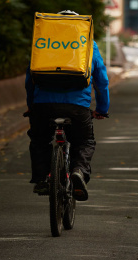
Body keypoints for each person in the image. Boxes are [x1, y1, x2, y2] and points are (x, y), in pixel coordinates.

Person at [25, 10, 110, 201]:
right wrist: (102, 109)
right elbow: (102, 80)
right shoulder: (88, 45)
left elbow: (29, 79)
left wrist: (31, 105)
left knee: (39, 140)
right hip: (77, 107)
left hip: (43, 106)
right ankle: (78, 171)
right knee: (84, 142)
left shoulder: (43, 45)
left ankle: (41, 179)